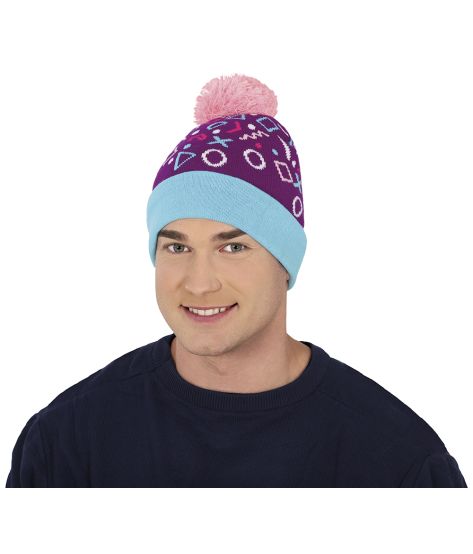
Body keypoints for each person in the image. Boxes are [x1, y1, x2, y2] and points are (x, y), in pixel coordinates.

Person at [5, 74, 467, 487]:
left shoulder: (398, 461)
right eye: (177, 247)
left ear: (285, 261)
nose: (199, 284)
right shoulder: (67, 440)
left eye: (233, 247)